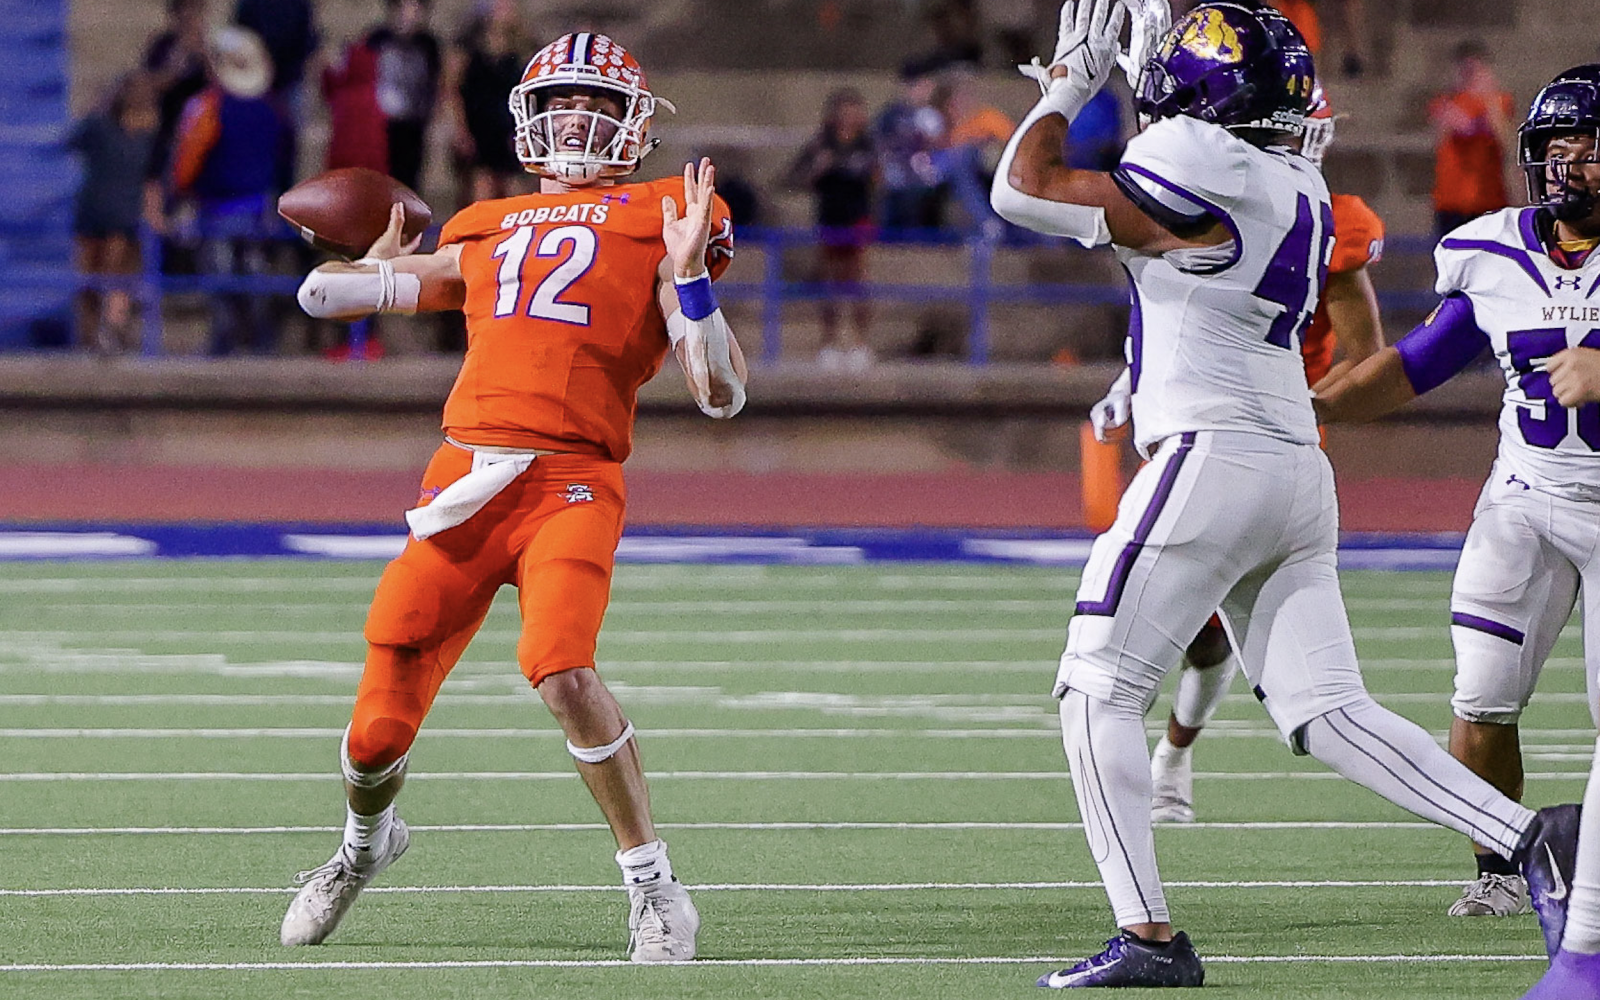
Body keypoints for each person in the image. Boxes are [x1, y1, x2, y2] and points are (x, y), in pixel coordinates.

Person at [989, 0, 1576, 988]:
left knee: (1093, 688)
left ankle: (1148, 937)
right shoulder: (1292, 176)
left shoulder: (1198, 159)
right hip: (1290, 462)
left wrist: (1069, 85)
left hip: (1208, 454)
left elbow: (1023, 188)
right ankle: (1533, 836)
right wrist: (1145, 81)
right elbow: (1167, 202)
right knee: (1327, 711)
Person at [281, 32, 745, 963]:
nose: (577, 120)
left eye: (598, 105)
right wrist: (371, 257)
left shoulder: (668, 213)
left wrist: (689, 275)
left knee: (563, 668)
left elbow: (721, 393)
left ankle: (655, 889)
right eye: (561, 103)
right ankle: (363, 848)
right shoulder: (481, 222)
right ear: (527, 123)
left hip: (571, 480)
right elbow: (321, 299)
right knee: (373, 734)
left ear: (634, 125)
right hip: (463, 485)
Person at [1309, 65, 1600, 997]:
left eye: (1588, 148)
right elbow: (1422, 362)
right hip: (1524, 497)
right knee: (1480, 697)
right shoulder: (1494, 252)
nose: (1570, 166)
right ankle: (1501, 875)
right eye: (1557, 150)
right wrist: (1309, 407)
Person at [1100, 79, 1386, 827]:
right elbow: (1193, 310)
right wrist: (1132, 378)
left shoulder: (1329, 215)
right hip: (1198, 424)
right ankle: (1171, 758)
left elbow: (1366, 356)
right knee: (1197, 640)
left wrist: (1301, 400)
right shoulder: (1225, 193)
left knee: (1117, 667)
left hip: (1264, 440)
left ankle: (1170, 760)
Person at [170, 26, 283, 355]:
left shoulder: (208, 107)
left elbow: (188, 160)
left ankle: (226, 341)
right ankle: (262, 342)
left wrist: (181, 193)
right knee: (255, 276)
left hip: (218, 207)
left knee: (221, 279)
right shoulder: (271, 109)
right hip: (258, 205)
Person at [69, 72, 160, 353]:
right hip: (102, 213)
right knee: (99, 278)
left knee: (108, 277)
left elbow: (151, 181)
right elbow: (73, 139)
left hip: (114, 215)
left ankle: (104, 332)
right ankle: (97, 333)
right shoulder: (102, 128)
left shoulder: (147, 138)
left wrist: (153, 215)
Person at [787, 88, 877, 370]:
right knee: (829, 280)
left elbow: (878, 179)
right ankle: (829, 343)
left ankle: (860, 343)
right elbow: (793, 179)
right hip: (830, 218)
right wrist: (818, 169)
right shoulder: (820, 144)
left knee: (856, 279)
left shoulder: (867, 144)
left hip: (858, 217)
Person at [445, 0, 531, 204]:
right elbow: (452, 92)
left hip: (509, 129)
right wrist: (460, 130)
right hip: (479, 129)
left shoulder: (522, 49)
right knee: (481, 191)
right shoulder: (468, 50)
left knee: (515, 193)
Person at [1429, 40, 1517, 239]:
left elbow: (1506, 142)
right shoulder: (1445, 103)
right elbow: (1441, 137)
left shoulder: (1500, 102)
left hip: (1489, 199)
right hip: (1451, 200)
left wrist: (1488, 98)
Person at [366, 0, 443, 192]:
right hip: (381, 121)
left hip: (415, 117)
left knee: (411, 174)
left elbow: (436, 79)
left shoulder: (428, 42)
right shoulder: (379, 38)